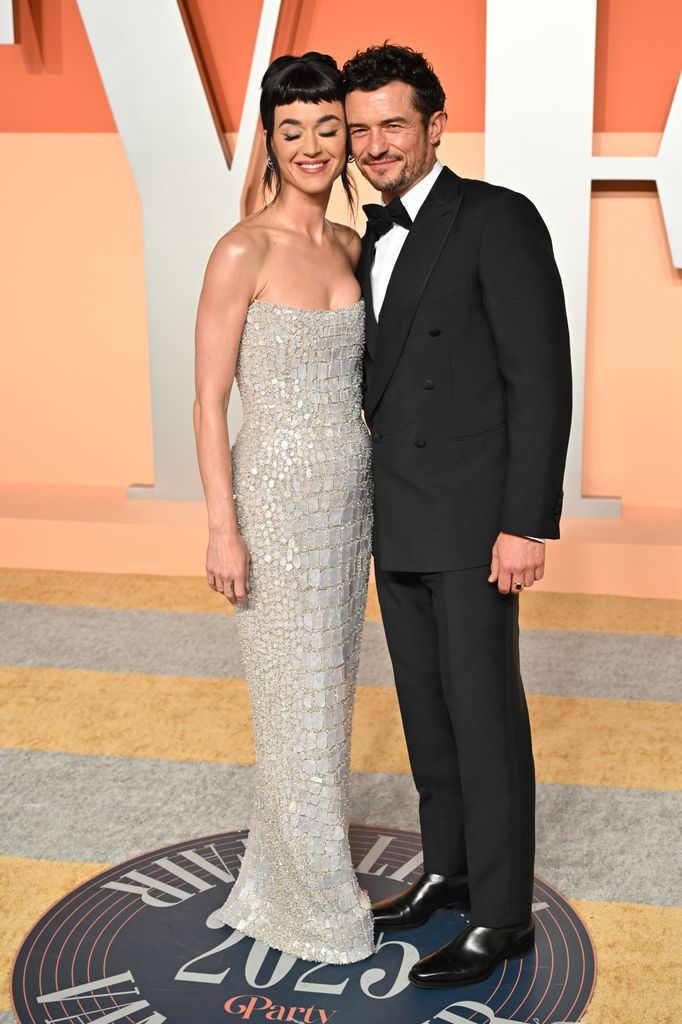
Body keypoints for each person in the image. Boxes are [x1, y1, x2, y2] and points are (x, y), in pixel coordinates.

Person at [343, 43, 572, 987]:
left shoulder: (497, 219)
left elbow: (541, 378)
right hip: (396, 518)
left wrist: (526, 522)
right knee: (427, 716)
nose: (374, 144)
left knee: (484, 718)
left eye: (392, 124)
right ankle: (448, 868)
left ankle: (505, 916)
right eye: (360, 129)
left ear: (437, 125)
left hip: (477, 521)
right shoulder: (366, 240)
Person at [192, 51, 374, 964]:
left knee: (328, 699)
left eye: (327, 128)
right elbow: (206, 400)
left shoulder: (348, 247)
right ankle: (316, 899)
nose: (310, 146)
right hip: (272, 506)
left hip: (351, 512)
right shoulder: (243, 249)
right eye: (291, 129)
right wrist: (222, 528)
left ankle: (288, 869)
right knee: (292, 704)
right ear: (269, 139)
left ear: (346, 139)